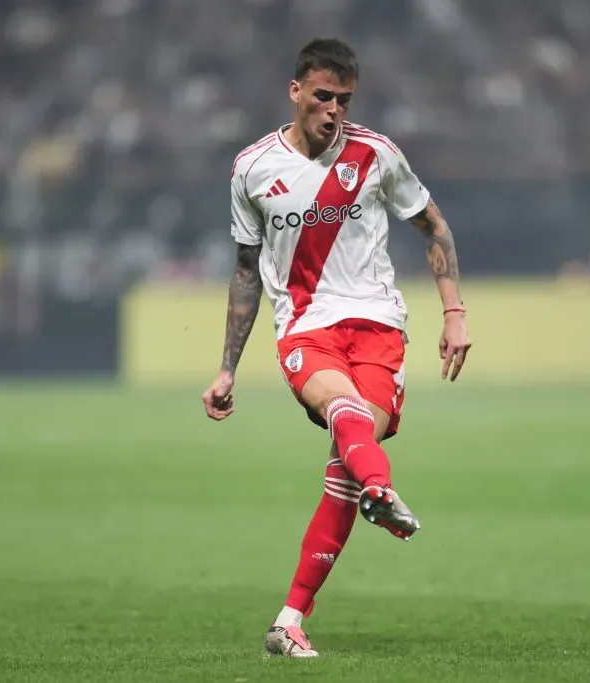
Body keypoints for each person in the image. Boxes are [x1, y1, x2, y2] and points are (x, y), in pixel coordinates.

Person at [200, 38, 471, 658]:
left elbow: (434, 225)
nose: (333, 110)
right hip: (306, 328)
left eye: (343, 99)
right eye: (322, 96)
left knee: (344, 468)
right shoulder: (253, 168)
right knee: (347, 420)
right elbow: (246, 271)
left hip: (379, 328)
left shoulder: (375, 154)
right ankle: (384, 489)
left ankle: (289, 620)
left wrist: (454, 313)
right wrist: (226, 368)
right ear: (295, 92)